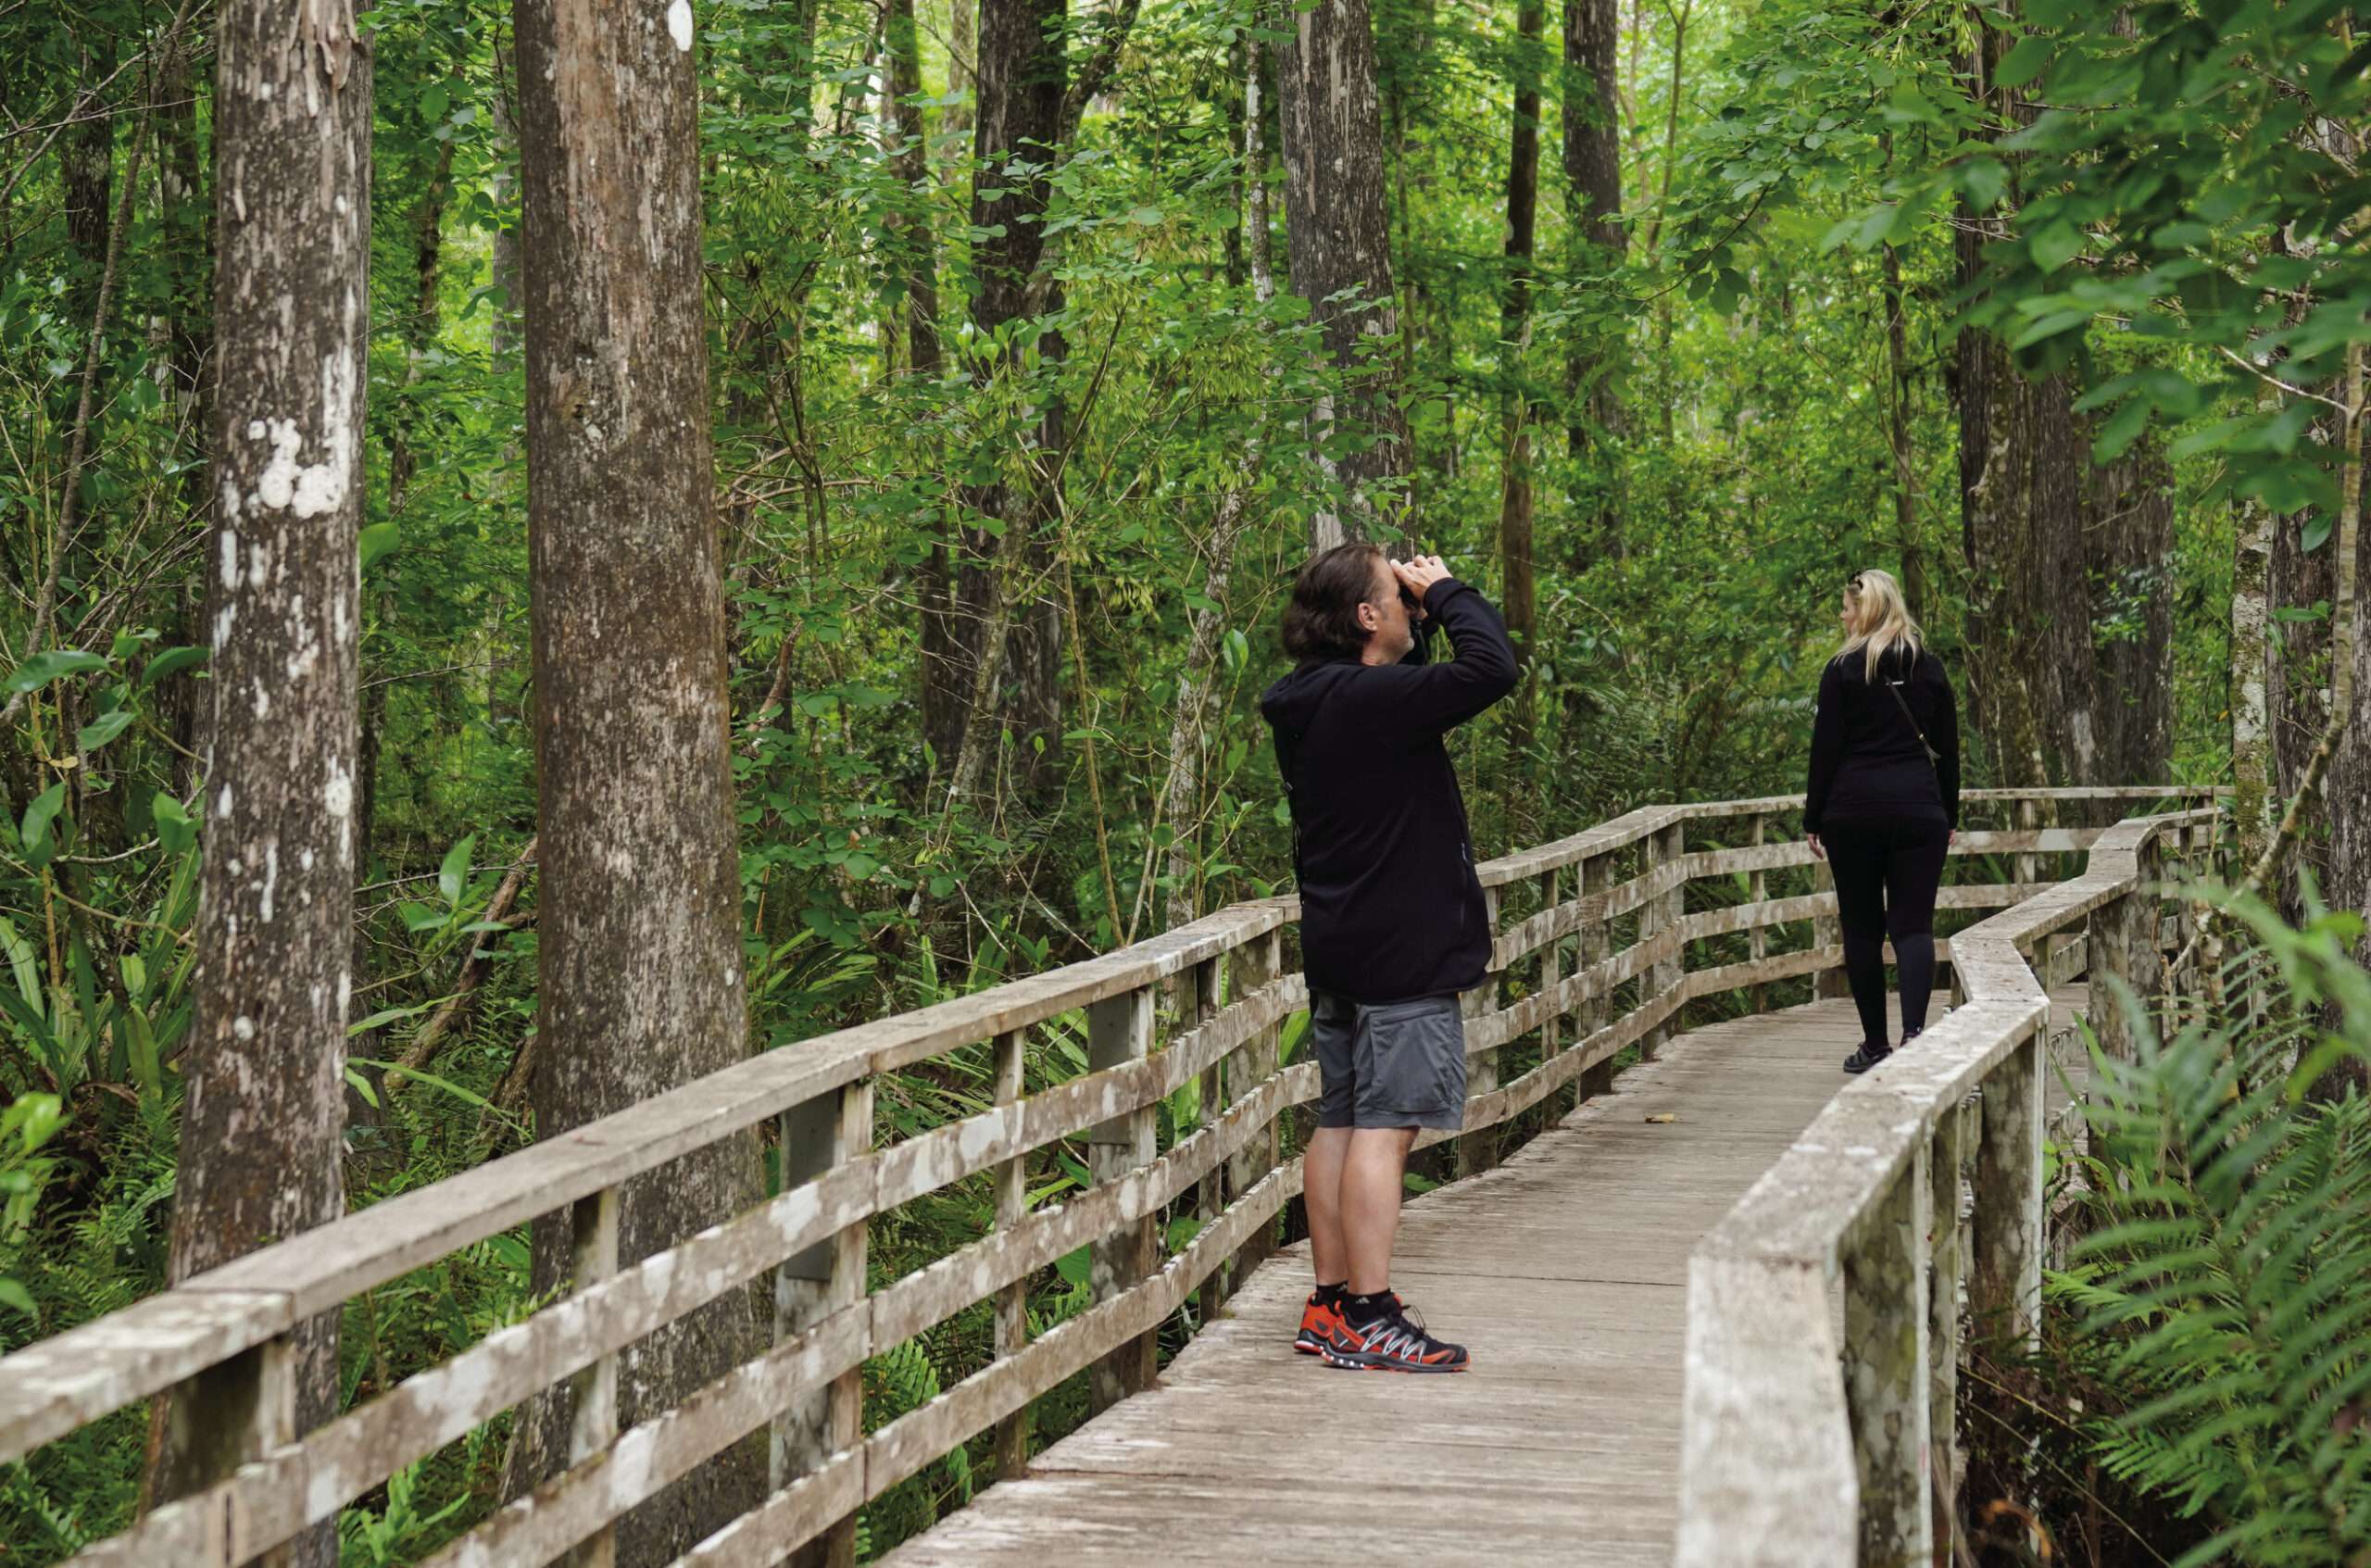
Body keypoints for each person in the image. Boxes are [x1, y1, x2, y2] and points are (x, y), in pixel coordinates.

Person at [1258, 544, 1518, 1372]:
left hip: (1343, 942)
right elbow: (1493, 668)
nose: (1412, 603)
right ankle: (1370, 1312)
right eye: (1396, 595)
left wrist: (1423, 613)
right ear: (1368, 616)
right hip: (1404, 948)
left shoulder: (1311, 699)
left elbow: (1439, 681)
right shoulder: (1373, 700)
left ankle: (1331, 1302)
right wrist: (1449, 591)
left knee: (1340, 1119)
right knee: (1386, 1125)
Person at [1802, 568, 1962, 1075]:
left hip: (1852, 812)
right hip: (1919, 811)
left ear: (1866, 609)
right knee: (1914, 927)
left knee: (1863, 930)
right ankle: (1915, 1035)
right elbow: (1949, 753)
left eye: (1847, 609)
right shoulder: (1930, 669)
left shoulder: (1843, 671)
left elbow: (1825, 750)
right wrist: (1949, 814)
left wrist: (1814, 817)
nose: (1842, 617)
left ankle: (1875, 1045)